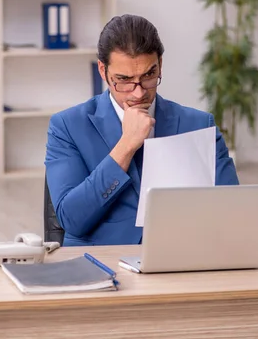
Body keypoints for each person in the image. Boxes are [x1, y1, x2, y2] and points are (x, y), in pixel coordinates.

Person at [44, 14, 239, 246]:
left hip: (181, 259)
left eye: (148, 76)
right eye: (124, 80)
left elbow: (232, 213)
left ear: (160, 65)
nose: (138, 93)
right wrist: (126, 145)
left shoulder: (199, 125)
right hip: (102, 263)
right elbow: (72, 220)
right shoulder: (67, 126)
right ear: (102, 70)